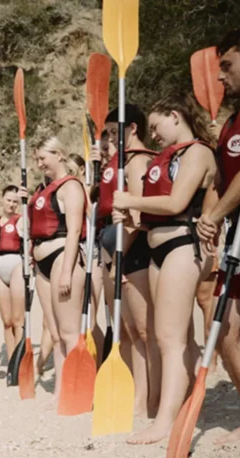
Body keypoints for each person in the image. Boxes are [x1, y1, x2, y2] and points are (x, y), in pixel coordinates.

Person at [113, 95, 216, 444]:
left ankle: (165, 421)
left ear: (175, 116)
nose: (153, 134)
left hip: (184, 246)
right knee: (175, 335)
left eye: (156, 127)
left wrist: (131, 200)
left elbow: (176, 203)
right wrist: (133, 218)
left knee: (169, 338)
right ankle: (185, 405)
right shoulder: (169, 156)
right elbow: (157, 212)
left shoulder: (197, 153)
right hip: (160, 248)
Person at [196, 27, 240, 445]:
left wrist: (216, 214)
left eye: (227, 66)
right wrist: (207, 217)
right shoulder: (233, 121)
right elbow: (221, 177)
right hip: (239, 233)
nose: (219, 76)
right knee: (226, 328)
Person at [92, 107, 158, 417]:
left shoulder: (138, 161)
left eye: (113, 131)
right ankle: (136, 394)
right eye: (106, 133)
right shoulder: (121, 163)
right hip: (117, 250)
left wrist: (119, 257)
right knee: (130, 331)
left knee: (145, 331)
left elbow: (138, 215)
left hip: (134, 249)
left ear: (132, 128)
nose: (109, 138)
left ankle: (151, 399)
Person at [29, 137, 87, 403]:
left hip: (62, 257)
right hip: (41, 263)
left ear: (59, 155)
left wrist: (66, 271)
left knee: (68, 331)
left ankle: (77, 391)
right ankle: (60, 390)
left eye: (43, 158)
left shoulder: (71, 186)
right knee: (54, 333)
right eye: (37, 159)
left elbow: (74, 231)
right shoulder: (44, 190)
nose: (39, 164)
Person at [0, 186, 26, 373]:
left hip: (16, 265)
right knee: (7, 320)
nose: (11, 204)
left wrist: (26, 202)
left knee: (18, 320)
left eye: (15, 201)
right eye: (9, 200)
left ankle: (20, 362)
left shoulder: (21, 220)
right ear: (1, 199)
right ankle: (12, 363)